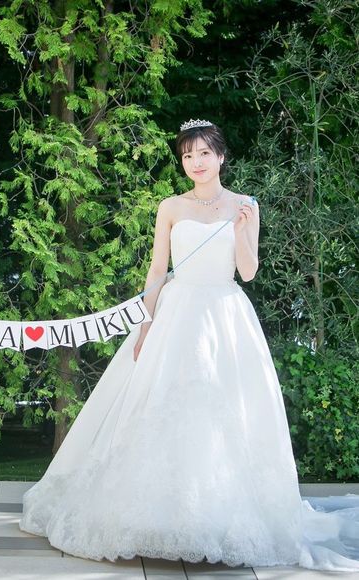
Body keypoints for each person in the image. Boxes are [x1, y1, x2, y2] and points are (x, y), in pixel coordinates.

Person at [20, 120, 359, 570]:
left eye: (203, 154)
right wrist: (145, 324)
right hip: (176, 313)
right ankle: (155, 516)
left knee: (221, 410)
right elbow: (157, 269)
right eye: (187, 156)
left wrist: (243, 230)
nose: (195, 163)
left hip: (224, 315)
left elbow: (248, 271)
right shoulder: (171, 207)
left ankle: (216, 516)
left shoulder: (245, 205)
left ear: (220, 157)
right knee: (163, 405)